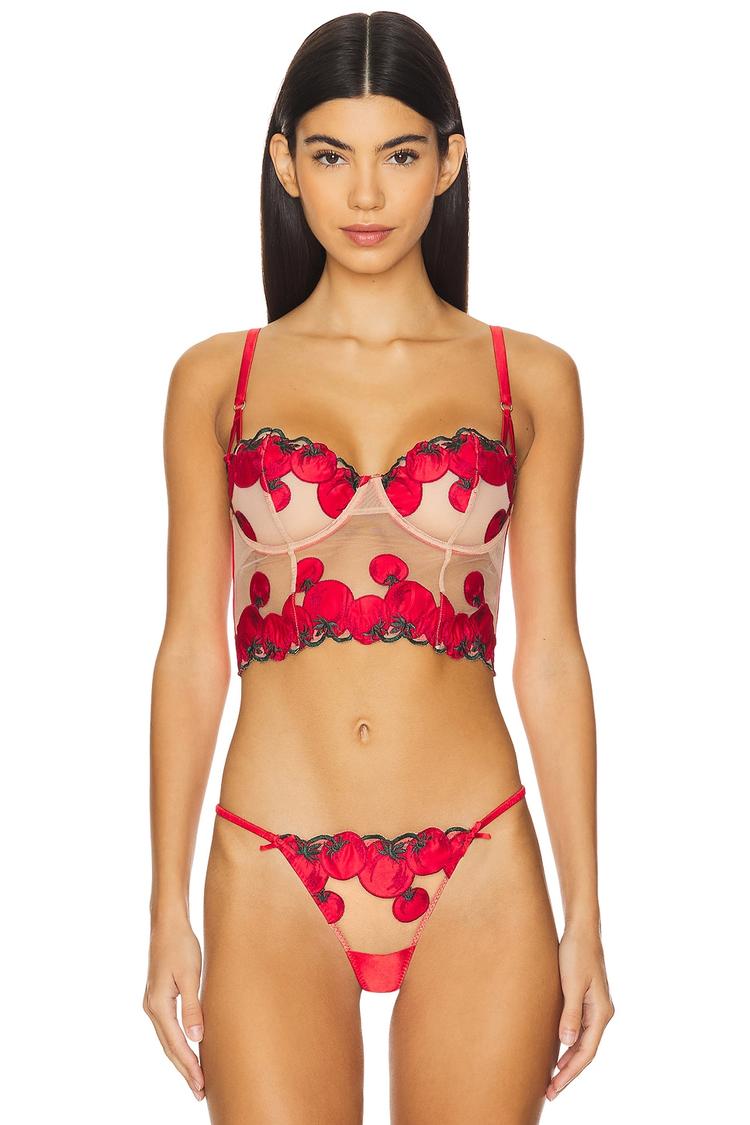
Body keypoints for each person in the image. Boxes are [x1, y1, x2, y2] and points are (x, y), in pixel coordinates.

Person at [142, 11, 614, 1121]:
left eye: (399, 155)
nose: (365, 195)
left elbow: (551, 654)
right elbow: (189, 653)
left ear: (449, 162)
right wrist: (165, 907)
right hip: (268, 858)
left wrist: (587, 912)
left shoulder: (531, 378)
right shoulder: (215, 379)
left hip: (479, 861)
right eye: (331, 155)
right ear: (285, 164)